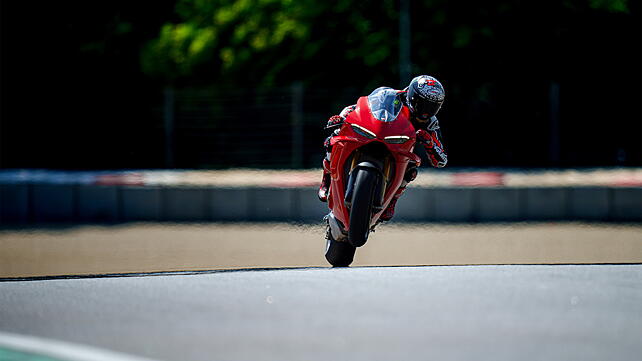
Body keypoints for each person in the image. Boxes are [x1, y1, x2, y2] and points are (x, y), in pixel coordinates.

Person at [318, 75, 448, 222]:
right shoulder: (391, 96)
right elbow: (359, 106)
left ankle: (392, 201)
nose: (426, 111)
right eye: (422, 103)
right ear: (412, 95)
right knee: (333, 139)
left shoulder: (431, 123)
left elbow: (441, 159)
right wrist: (342, 117)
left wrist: (429, 143)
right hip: (372, 134)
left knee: (411, 169)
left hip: (398, 149)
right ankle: (326, 179)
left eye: (432, 106)